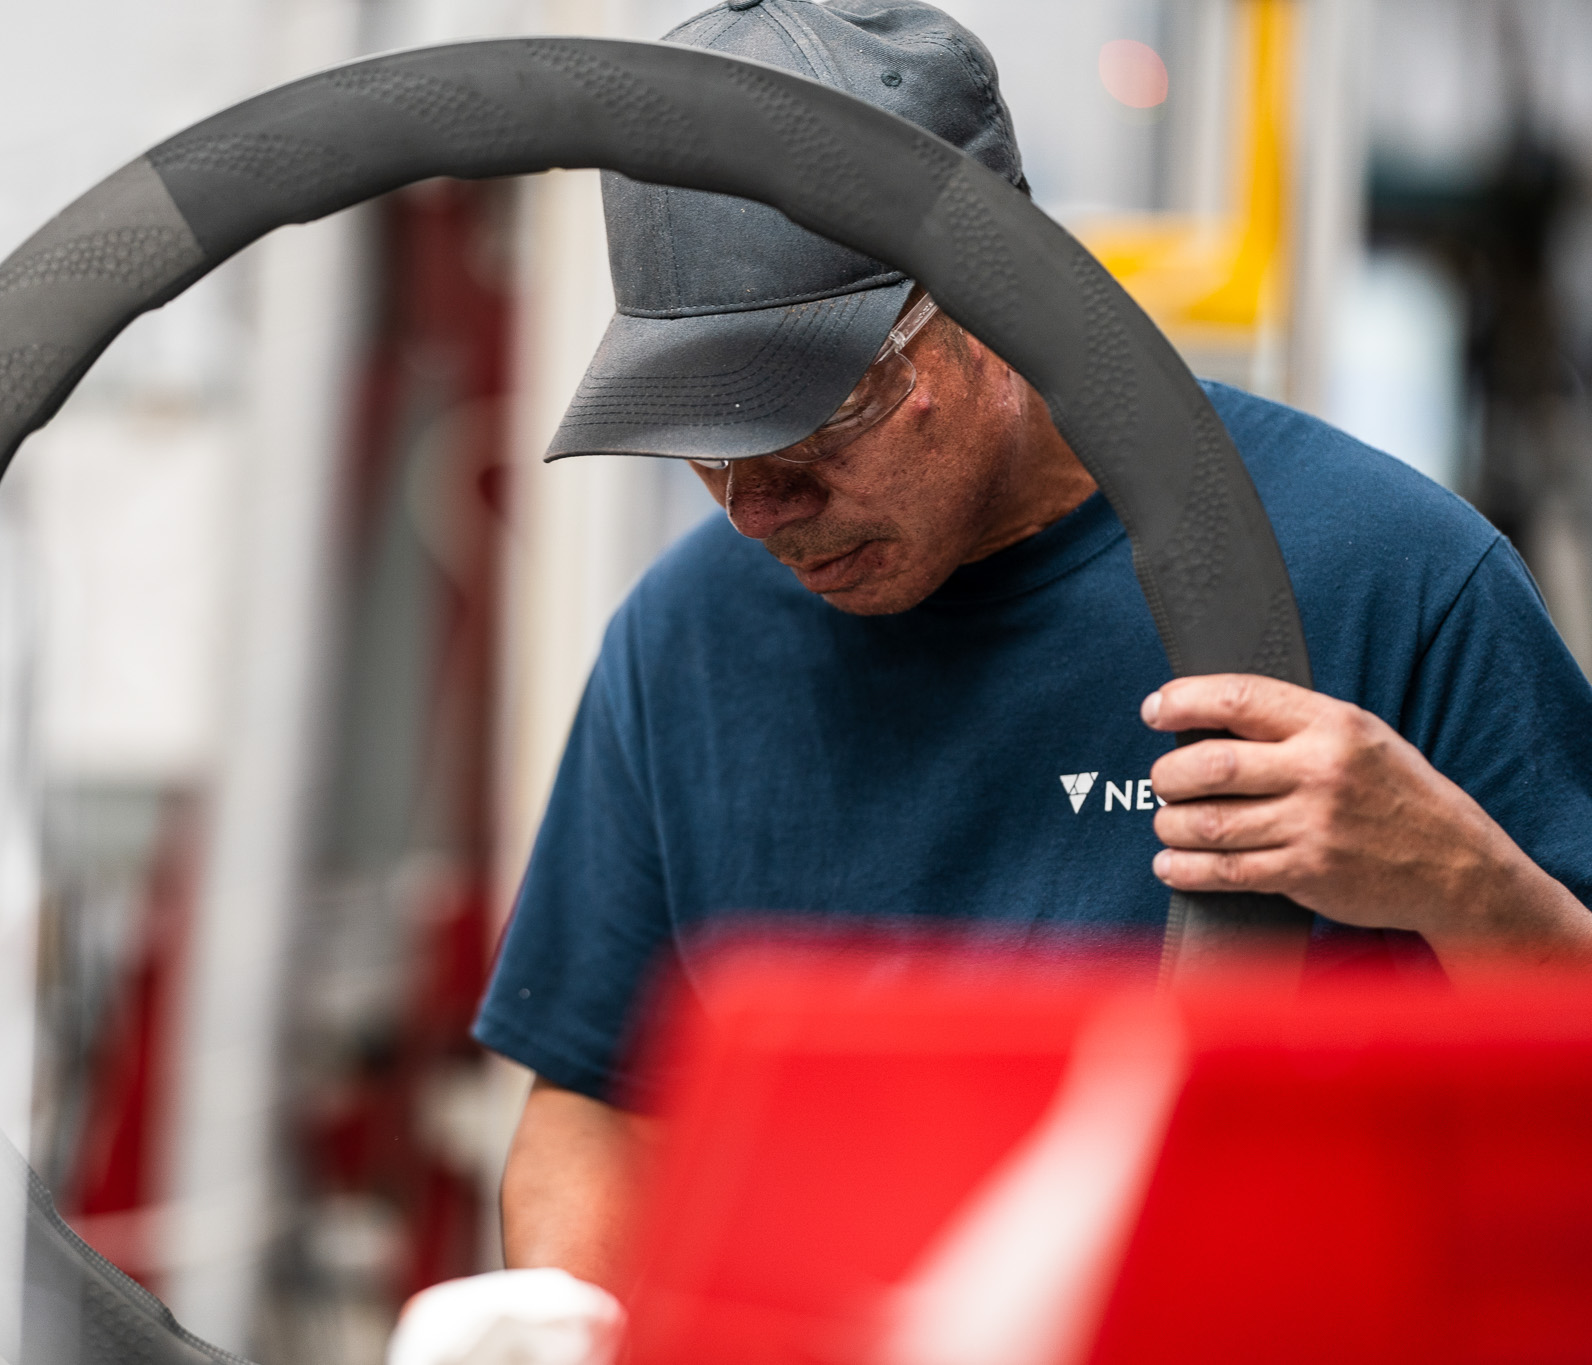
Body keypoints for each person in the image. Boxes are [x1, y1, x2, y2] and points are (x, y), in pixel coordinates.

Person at [472, 0, 1592, 1306]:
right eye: (707, 443)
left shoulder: (1384, 577)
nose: (757, 506)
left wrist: (1463, 881)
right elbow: (596, 1109)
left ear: (997, 298)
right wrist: (573, 1322)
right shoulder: (689, 634)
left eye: (812, 423)